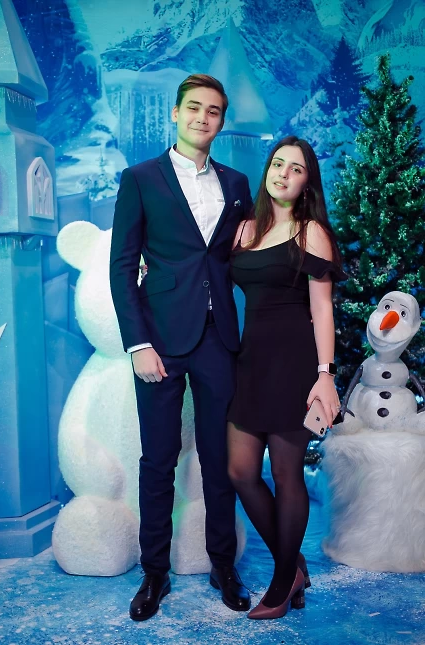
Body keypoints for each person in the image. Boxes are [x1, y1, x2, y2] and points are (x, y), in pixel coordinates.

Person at [109, 74, 253, 621]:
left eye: (213, 111)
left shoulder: (237, 183)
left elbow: (239, 257)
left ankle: (223, 565)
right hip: (160, 341)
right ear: (176, 113)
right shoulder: (140, 179)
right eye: (194, 108)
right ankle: (155, 573)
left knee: (219, 458)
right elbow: (122, 266)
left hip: (219, 338)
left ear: (221, 122)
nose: (202, 118)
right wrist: (137, 343)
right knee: (158, 460)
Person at [227, 135, 346, 620]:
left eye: (296, 169)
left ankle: (281, 583)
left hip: (296, 364)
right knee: (240, 471)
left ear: (306, 182)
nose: (284, 174)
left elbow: (323, 309)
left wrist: (325, 376)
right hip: (251, 362)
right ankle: (292, 565)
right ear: (268, 170)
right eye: (278, 164)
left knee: (285, 474)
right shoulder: (244, 230)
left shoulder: (310, 231)